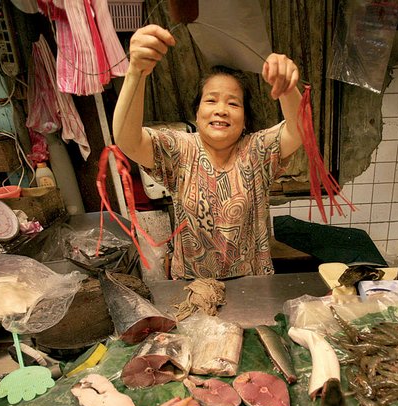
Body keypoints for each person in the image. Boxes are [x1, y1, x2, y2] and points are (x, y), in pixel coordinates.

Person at [112, 24, 304, 280]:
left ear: (245, 119)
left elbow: (300, 131)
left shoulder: (257, 151)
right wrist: (136, 72)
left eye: (233, 103)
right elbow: (128, 140)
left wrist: (288, 88)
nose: (221, 110)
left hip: (253, 284)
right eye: (211, 100)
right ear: (197, 113)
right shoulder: (180, 150)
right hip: (193, 287)